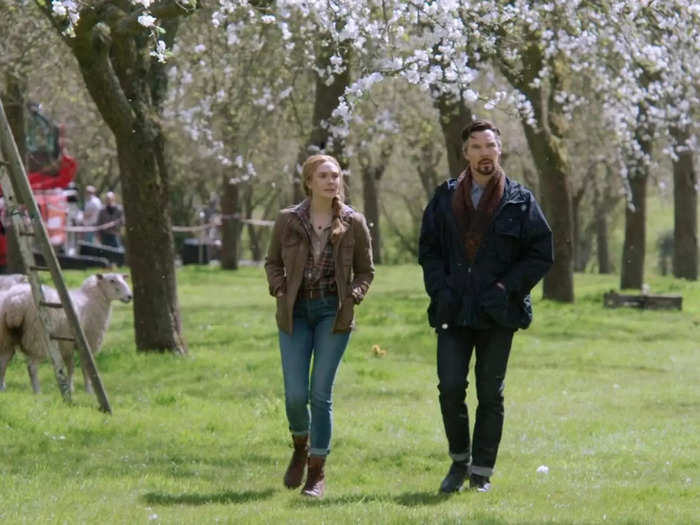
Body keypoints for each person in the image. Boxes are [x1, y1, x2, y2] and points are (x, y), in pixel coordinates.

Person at [418, 120, 553, 493]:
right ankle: (458, 462)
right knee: (449, 387)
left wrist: (507, 287)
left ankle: (481, 472)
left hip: (498, 312)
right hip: (453, 309)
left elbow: (541, 253)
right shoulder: (444, 198)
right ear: (465, 154)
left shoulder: (520, 199)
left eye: (490, 146)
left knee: (490, 393)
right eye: (476, 146)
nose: (484, 153)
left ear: (499, 150)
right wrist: (439, 290)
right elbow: (428, 250)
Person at [265, 154, 374, 498]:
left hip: (333, 312)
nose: (332, 181)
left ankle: (316, 471)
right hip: (294, 313)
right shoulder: (287, 220)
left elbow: (366, 270)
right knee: (296, 395)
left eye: (336, 175)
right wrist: (280, 288)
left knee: (320, 394)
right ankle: (300, 443)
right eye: (324, 175)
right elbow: (272, 262)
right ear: (309, 181)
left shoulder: (353, 222)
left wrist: (354, 295)